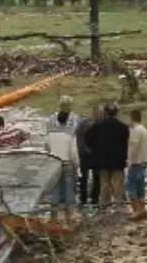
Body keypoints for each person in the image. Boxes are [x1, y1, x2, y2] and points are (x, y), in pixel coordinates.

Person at [85, 101, 130, 210]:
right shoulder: (123, 127)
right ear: (116, 113)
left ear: (106, 113)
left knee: (104, 185)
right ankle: (119, 206)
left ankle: (104, 206)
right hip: (118, 161)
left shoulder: (97, 127)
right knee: (117, 184)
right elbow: (127, 143)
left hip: (102, 161)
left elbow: (88, 141)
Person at [45, 96, 80, 225]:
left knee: (55, 189)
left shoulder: (50, 130)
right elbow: (73, 152)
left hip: (54, 163)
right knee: (69, 188)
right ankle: (69, 215)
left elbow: (47, 147)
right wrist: (77, 164)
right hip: (67, 163)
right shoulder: (69, 134)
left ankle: (53, 216)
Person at [74, 104, 103, 208]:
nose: (101, 115)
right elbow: (78, 136)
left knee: (97, 177)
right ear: (94, 112)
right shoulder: (84, 123)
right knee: (83, 177)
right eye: (99, 113)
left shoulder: (102, 124)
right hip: (85, 154)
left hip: (96, 155)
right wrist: (81, 150)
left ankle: (95, 197)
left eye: (102, 113)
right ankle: (83, 197)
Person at [126, 108, 147, 220]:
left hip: (136, 162)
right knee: (140, 187)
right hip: (144, 161)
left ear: (132, 117)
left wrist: (130, 161)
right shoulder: (145, 130)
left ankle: (136, 209)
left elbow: (134, 147)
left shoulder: (136, 130)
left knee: (131, 187)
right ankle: (142, 208)